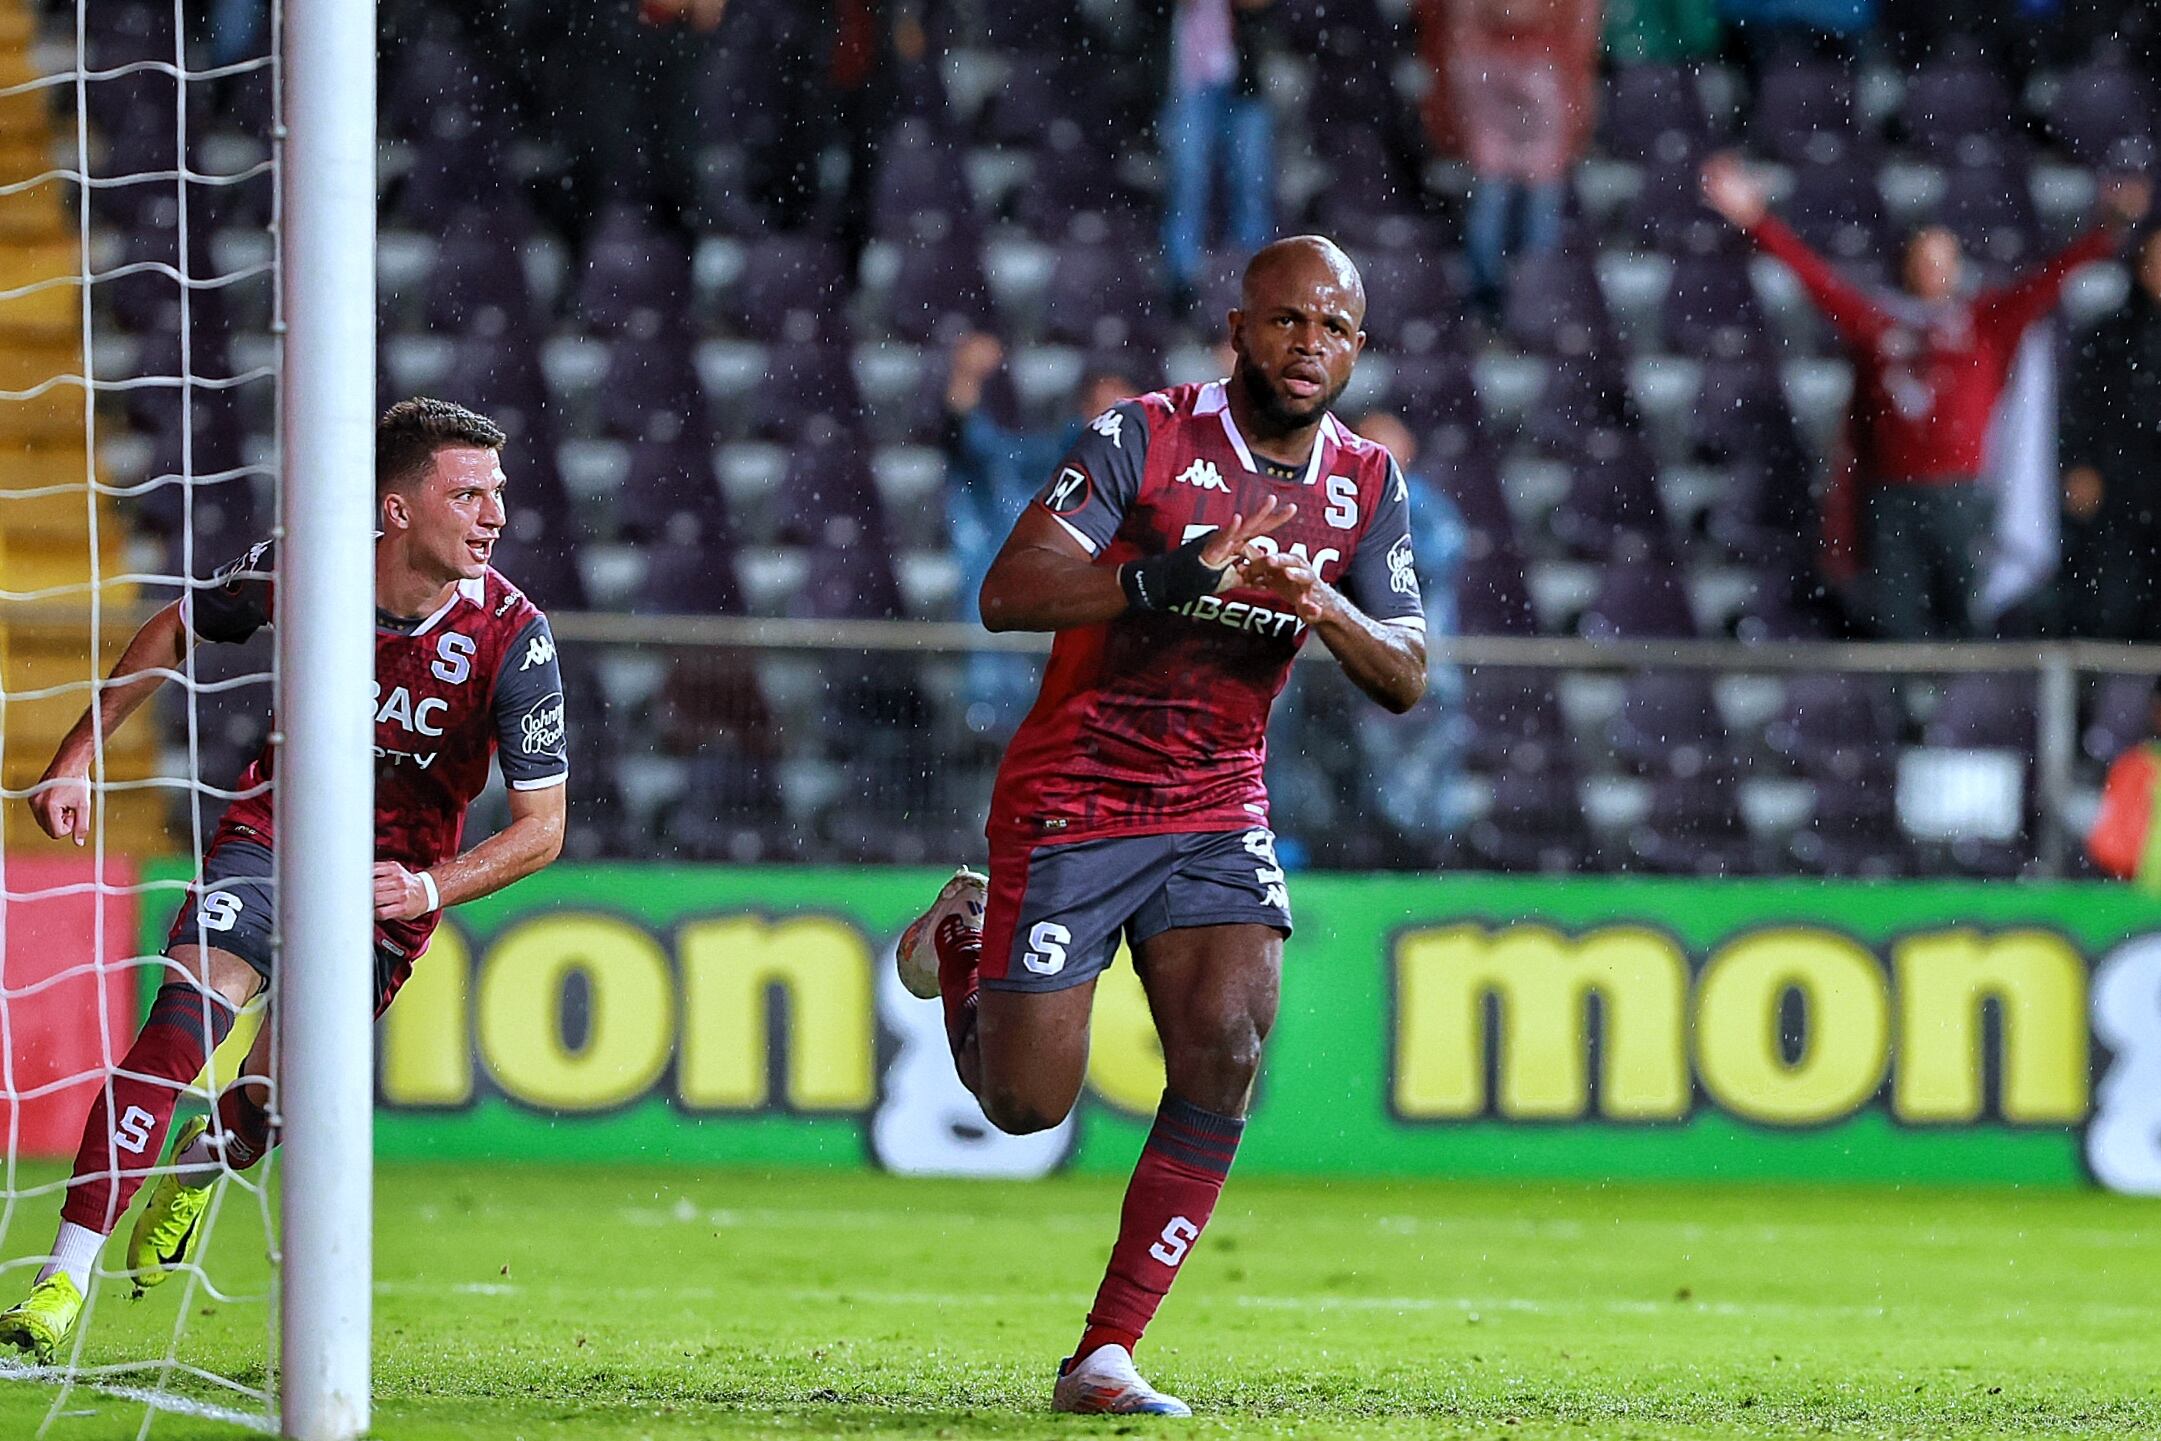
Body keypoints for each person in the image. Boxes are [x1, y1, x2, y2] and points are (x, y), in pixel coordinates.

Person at [894, 237, 1426, 1415]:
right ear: (1237, 329)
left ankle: (1103, 1354)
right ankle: (964, 939)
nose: (1308, 347)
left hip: (1217, 797)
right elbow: (1007, 590)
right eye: (1286, 322)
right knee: (1028, 1103)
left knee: (1228, 1049)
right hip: (1076, 789)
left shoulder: (1367, 486)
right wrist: (1164, 577)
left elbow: (1406, 674)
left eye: (1333, 329)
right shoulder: (1144, 434)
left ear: (1358, 348)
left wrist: (1321, 598)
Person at [0, 399, 570, 1362]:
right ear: (396, 509)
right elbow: (178, 624)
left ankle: (196, 1168)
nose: (494, 517)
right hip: (274, 839)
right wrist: (79, 751)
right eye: (467, 493)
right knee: (183, 1022)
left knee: (275, 1098)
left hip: (389, 889)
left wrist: (426, 889)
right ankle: (59, 1281)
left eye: (498, 495)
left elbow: (542, 829)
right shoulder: (311, 569)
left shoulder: (515, 636)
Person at [1701, 152, 2147, 640]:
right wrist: (1756, 222)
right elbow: (1816, 280)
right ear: (1905, 265)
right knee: (1896, 623)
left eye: (1942, 260)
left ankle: (1967, 712)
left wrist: (2108, 231)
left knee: (1970, 620)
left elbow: (2050, 279)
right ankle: (1906, 712)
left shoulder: (1984, 322)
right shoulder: (1879, 323)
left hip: (1958, 495)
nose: (1932, 271)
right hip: (1892, 498)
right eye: (1922, 259)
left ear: (1957, 266)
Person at [942, 332, 1140, 736]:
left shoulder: (1162, 478)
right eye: (1102, 407)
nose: (1112, 419)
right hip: (1023, 650)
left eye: (1125, 409)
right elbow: (972, 446)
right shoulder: (1045, 463)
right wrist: (964, 379)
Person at [1420, 0, 1602, 316]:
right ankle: (1519, 294)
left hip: (1509, 67)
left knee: (1508, 185)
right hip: (1533, 67)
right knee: (1522, 185)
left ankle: (1507, 295)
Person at [2060, 226, 2161, 641]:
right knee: (2111, 604)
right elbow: (2080, 406)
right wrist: (2078, 464)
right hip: (2117, 486)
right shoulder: (2109, 334)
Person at [1161, 0, 1279, 315]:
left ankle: (1253, 275)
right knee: (1188, 180)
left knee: (1251, 181)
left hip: (1245, 80)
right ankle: (1182, 279)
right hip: (1191, 82)